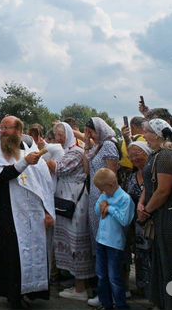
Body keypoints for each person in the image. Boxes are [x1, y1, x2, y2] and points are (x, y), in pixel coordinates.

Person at [0, 116, 56, 308]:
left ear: (19, 131)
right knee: (12, 255)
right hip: (8, 212)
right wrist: (23, 163)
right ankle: (14, 295)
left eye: (7, 128)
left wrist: (47, 211)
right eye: (1, 128)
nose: (2, 131)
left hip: (33, 214)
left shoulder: (31, 151)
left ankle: (32, 291)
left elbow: (44, 184)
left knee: (34, 252)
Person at [138, 119, 172, 309]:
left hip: (168, 216)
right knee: (163, 263)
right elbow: (151, 184)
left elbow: (163, 191)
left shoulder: (166, 156)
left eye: (147, 132)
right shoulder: (158, 154)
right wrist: (142, 202)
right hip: (159, 214)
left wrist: (147, 211)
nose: (144, 135)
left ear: (157, 134)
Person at [52, 122, 94, 301]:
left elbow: (60, 169)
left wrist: (43, 160)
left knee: (76, 242)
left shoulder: (75, 152)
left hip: (74, 200)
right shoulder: (70, 151)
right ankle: (79, 284)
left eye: (60, 134)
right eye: (56, 135)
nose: (57, 138)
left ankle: (80, 289)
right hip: (68, 199)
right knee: (69, 242)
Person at [93, 168, 134, 310]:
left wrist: (110, 209)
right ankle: (106, 304)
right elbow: (97, 211)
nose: (101, 192)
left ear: (111, 185)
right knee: (101, 275)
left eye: (101, 189)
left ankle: (121, 305)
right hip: (101, 240)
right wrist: (102, 204)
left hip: (114, 244)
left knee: (114, 277)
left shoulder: (124, 198)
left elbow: (125, 220)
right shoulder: (105, 195)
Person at [84, 117, 120, 252]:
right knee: (97, 237)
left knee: (106, 239)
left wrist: (105, 199)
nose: (90, 136)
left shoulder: (109, 145)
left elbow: (112, 176)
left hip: (105, 199)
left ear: (100, 130)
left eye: (91, 132)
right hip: (95, 197)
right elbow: (86, 170)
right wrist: (86, 145)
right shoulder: (96, 147)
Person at [124, 141, 152, 296]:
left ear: (147, 153)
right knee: (140, 256)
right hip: (135, 223)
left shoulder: (153, 172)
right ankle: (142, 287)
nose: (134, 158)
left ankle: (153, 290)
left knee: (152, 256)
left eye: (138, 154)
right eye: (131, 155)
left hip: (151, 221)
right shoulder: (131, 176)